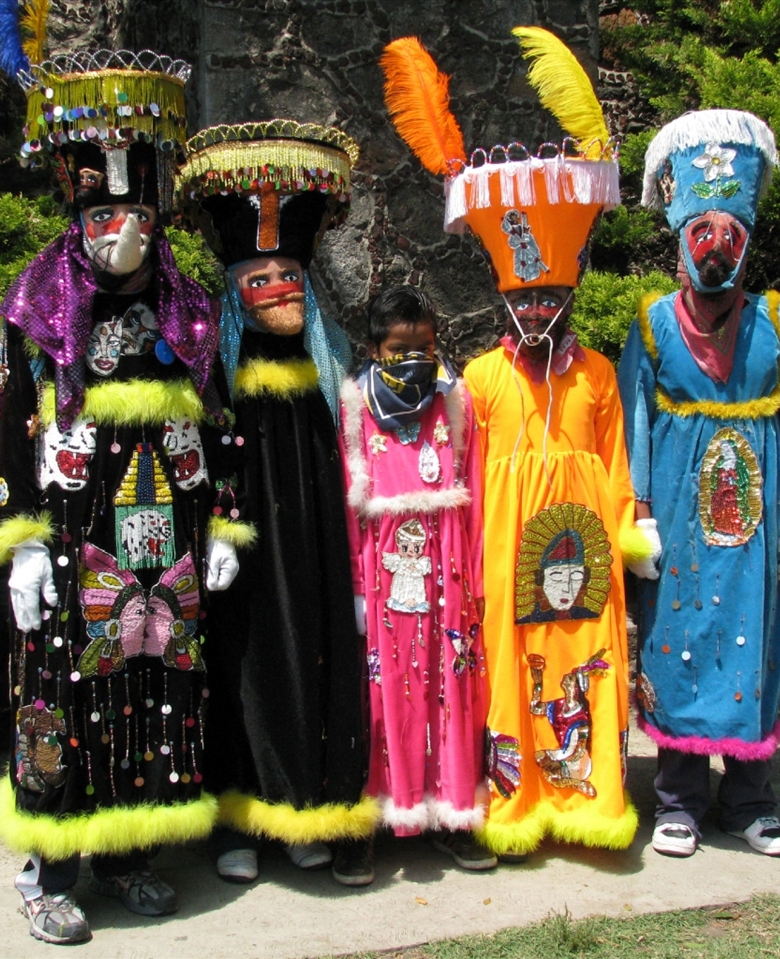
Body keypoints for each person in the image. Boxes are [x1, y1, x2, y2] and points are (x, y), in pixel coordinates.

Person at [0, 51, 241, 944]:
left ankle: (131, 851)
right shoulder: (38, 303)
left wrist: (225, 523)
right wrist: (14, 537)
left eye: (134, 211)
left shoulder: (189, 306)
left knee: (153, 684)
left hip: (164, 536)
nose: (118, 228)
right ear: (76, 211)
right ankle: (48, 865)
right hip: (67, 534)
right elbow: (11, 420)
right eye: (101, 211)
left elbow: (217, 424)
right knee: (61, 689)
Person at [381, 27, 656, 861]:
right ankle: (517, 805)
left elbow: (615, 461)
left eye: (548, 298)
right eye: (523, 299)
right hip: (502, 560)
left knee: (585, 670)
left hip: (586, 556)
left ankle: (590, 802)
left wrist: (631, 528)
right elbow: (457, 472)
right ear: (505, 301)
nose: (536, 312)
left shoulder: (600, 373)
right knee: (509, 672)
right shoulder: (476, 379)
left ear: (566, 295)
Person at [617, 109, 780, 859]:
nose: (715, 247)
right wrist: (635, 516)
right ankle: (676, 801)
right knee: (675, 641)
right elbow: (632, 425)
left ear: (747, 241)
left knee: (751, 647)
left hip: (752, 528)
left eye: (729, 233)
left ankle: (749, 799)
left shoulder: (778, 321)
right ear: (679, 240)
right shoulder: (648, 324)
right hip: (675, 521)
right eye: (700, 230)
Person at [175, 121, 376, 885]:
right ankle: (235, 819)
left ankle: (303, 809)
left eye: (288, 275)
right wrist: (221, 527)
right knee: (240, 664)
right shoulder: (214, 373)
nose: (278, 291)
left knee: (312, 658)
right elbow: (203, 448)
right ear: (235, 293)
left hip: (316, 544)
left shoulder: (329, 377)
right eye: (258, 280)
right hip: (238, 548)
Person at [338, 285, 493, 879]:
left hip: (448, 571)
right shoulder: (354, 407)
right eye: (399, 348)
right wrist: (356, 584)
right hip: (383, 576)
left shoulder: (456, 401)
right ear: (374, 348)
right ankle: (377, 818)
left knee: (450, 693)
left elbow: (473, 492)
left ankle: (453, 815)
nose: (414, 360)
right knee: (384, 696)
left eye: (424, 347)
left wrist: (475, 575)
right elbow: (351, 505)